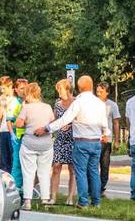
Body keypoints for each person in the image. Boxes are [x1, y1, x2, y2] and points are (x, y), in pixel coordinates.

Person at [34, 75, 110, 208]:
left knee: (80, 172)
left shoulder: (78, 103)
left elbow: (64, 120)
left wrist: (46, 128)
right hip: (96, 142)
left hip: (81, 142)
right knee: (93, 171)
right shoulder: (100, 103)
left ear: (79, 88)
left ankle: (83, 202)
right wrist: (105, 134)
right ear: (91, 86)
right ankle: (96, 202)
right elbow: (104, 124)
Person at [15, 82, 55, 207]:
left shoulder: (26, 107)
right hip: (46, 144)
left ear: (29, 94)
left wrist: (26, 121)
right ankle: (45, 200)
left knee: (28, 173)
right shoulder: (47, 107)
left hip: (29, 143)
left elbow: (19, 124)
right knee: (44, 172)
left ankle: (27, 201)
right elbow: (52, 123)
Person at [50, 78, 77, 205]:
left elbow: (81, 119)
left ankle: (70, 198)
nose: (58, 92)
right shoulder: (57, 104)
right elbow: (54, 120)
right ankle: (53, 197)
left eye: (60, 89)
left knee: (73, 169)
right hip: (60, 139)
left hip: (73, 139)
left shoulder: (77, 102)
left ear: (67, 89)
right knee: (56, 167)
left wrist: (71, 125)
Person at [95, 82, 120, 196]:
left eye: (101, 91)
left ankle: (101, 188)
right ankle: (94, 189)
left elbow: (116, 123)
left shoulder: (112, 105)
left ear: (107, 92)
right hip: (94, 139)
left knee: (105, 165)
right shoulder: (92, 103)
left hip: (107, 139)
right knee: (93, 165)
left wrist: (116, 140)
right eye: (97, 91)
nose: (98, 93)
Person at [0, 76, 15, 172]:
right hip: (3, 130)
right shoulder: (1, 98)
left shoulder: (16, 98)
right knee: (4, 160)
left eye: (4, 88)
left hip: (14, 131)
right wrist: (1, 105)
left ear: (10, 86)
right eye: (1, 88)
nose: (2, 91)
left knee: (13, 158)